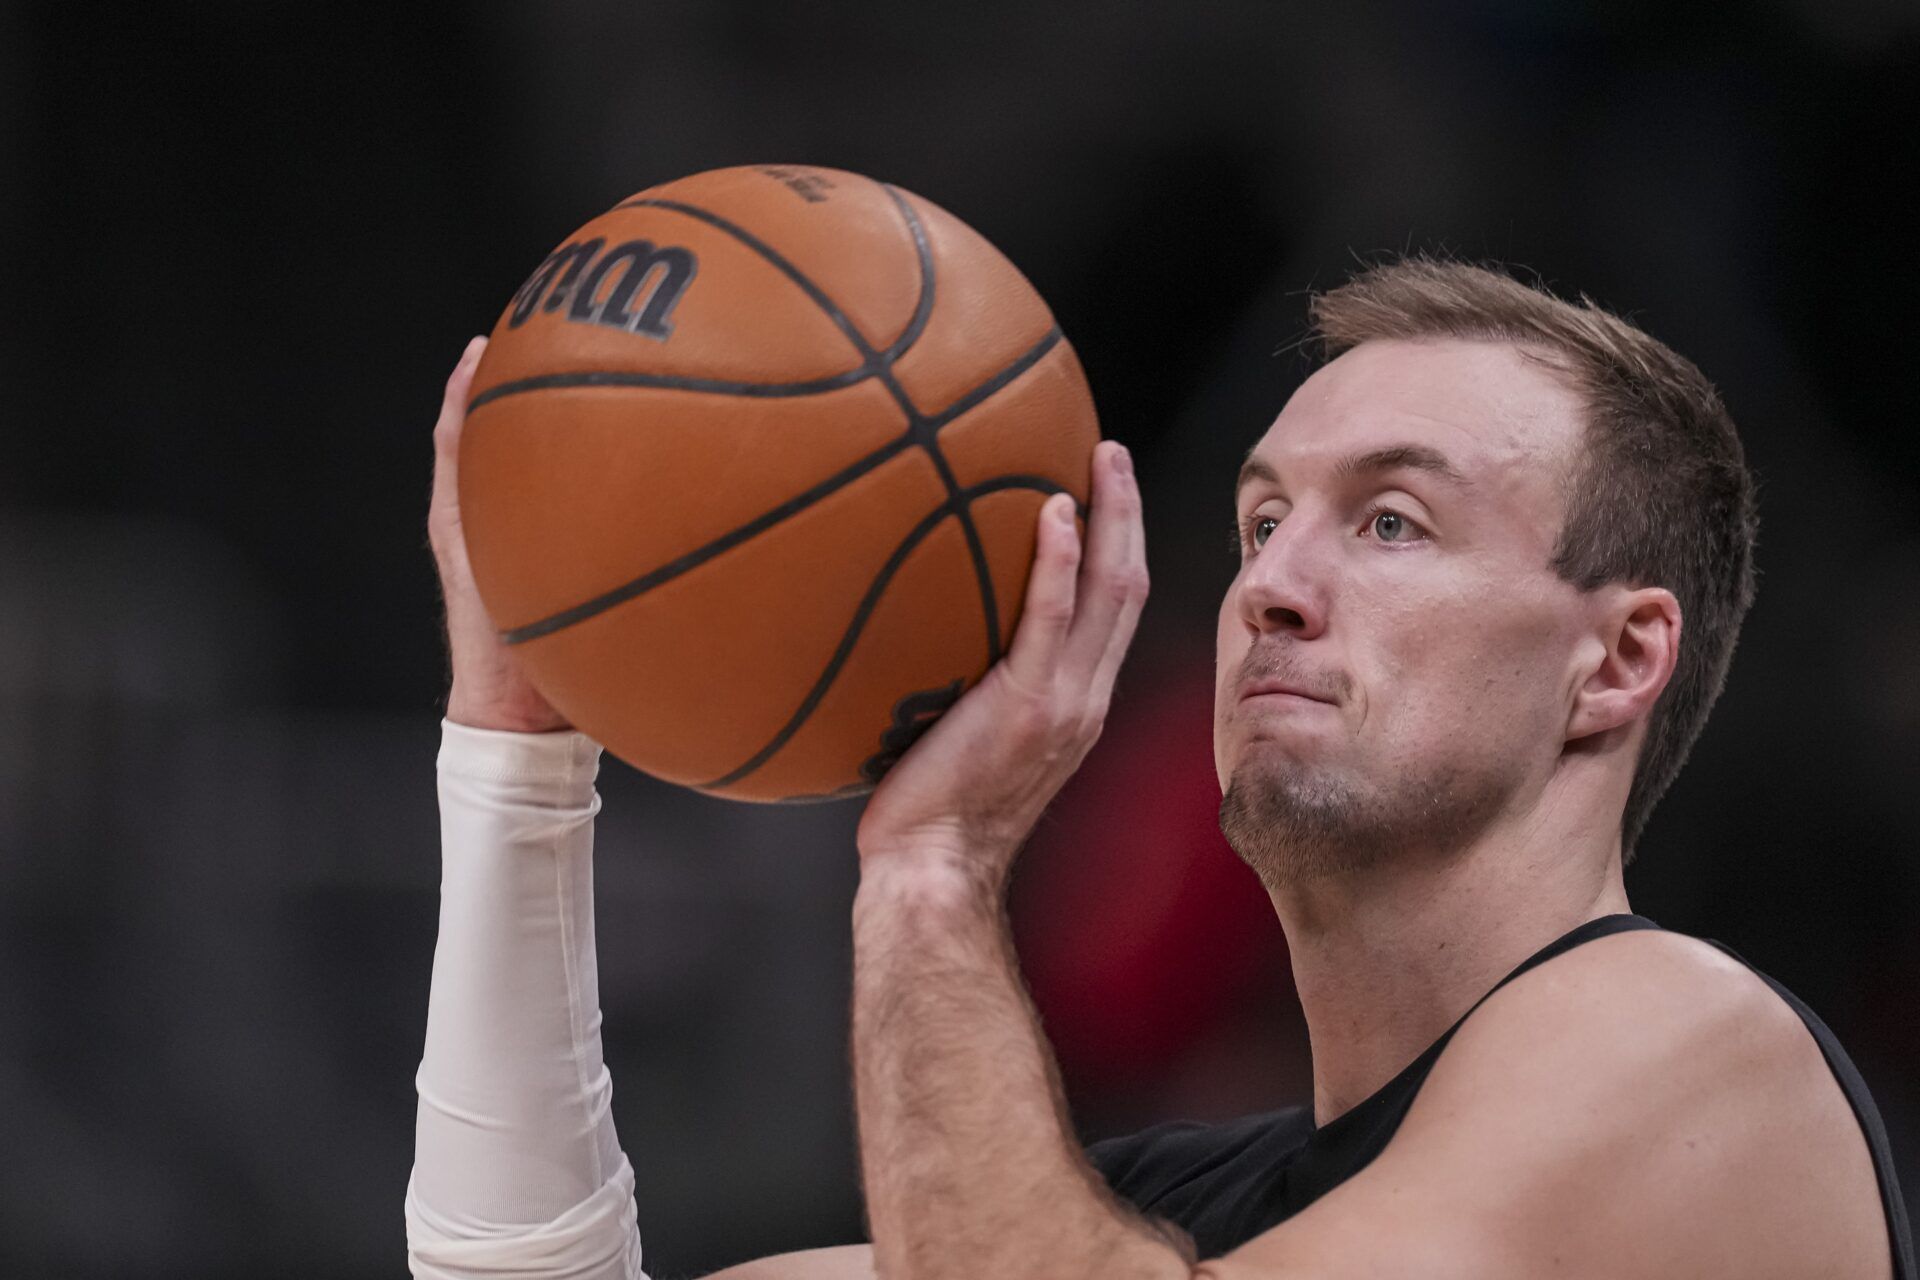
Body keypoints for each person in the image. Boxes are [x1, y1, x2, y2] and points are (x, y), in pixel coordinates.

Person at [406, 258, 1914, 1280]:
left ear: (1619, 660)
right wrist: (516, 751)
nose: (1271, 584)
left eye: (1392, 524)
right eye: (1265, 522)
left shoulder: (1692, 1045)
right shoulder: (1162, 1220)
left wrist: (932, 870)